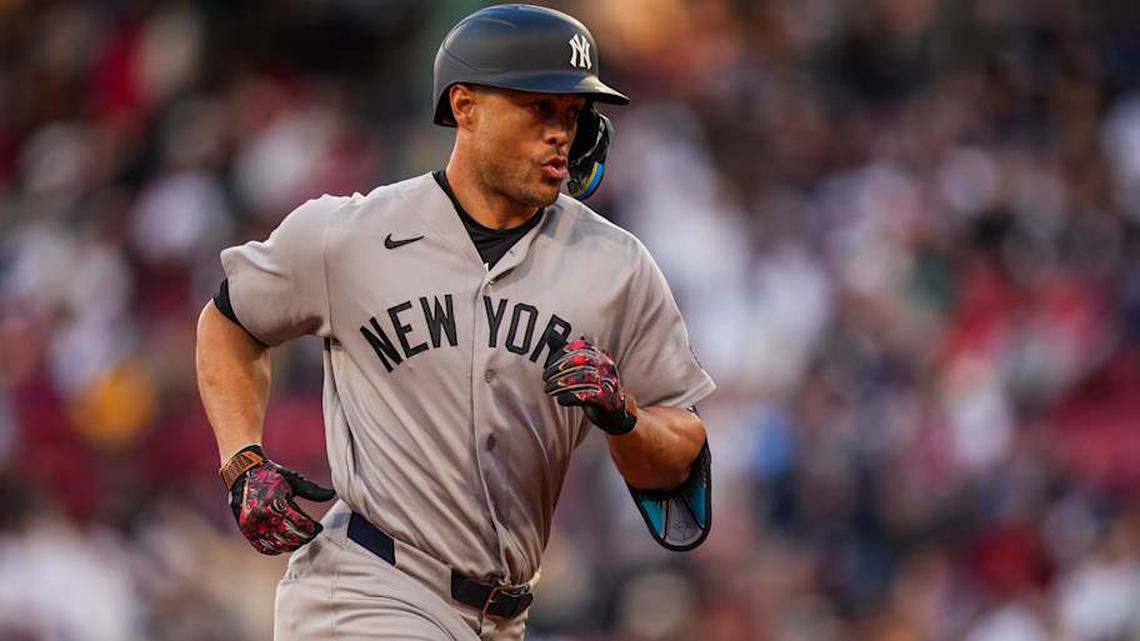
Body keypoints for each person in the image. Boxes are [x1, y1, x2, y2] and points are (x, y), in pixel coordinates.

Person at [195, 5, 714, 640]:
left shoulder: (616, 267)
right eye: (539, 108)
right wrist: (242, 462)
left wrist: (625, 417)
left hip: (503, 616)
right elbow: (228, 322)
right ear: (464, 106)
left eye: (573, 115)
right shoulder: (347, 236)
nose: (561, 134)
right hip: (366, 589)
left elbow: (680, 459)